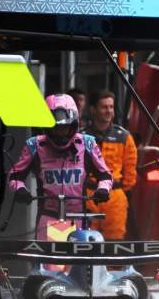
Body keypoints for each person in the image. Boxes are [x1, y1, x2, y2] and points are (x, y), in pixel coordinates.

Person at [9, 94, 112, 240]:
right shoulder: (34, 145)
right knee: (46, 261)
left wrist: (103, 189)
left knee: (78, 261)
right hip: (47, 218)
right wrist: (20, 189)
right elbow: (15, 176)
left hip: (78, 217)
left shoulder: (87, 144)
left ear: (74, 124)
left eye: (64, 128)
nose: (60, 132)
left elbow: (105, 175)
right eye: (55, 128)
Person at [85, 90, 138, 240]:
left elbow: (130, 172)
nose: (108, 111)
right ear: (93, 109)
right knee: (83, 241)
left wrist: (118, 189)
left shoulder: (124, 136)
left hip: (114, 196)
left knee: (115, 242)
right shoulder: (81, 136)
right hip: (88, 194)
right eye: (104, 107)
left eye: (111, 107)